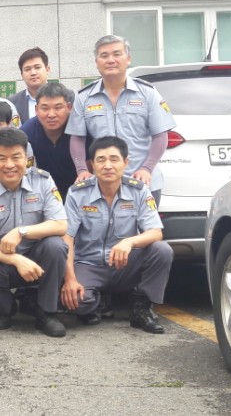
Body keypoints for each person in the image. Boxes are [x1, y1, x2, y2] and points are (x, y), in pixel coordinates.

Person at [60, 136, 172, 334]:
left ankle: (141, 307)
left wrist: (129, 242)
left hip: (124, 263)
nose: (108, 166)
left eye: (114, 159)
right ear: (92, 165)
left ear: (126, 162)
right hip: (89, 263)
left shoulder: (139, 190)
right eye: (101, 160)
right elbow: (67, 237)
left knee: (162, 250)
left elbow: (155, 232)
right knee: (76, 302)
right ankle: (97, 300)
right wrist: (69, 279)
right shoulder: (78, 193)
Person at [0, 128, 69, 337]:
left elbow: (60, 224)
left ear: (27, 158)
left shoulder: (43, 182)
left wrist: (21, 231)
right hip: (3, 260)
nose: (9, 165)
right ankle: (6, 309)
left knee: (56, 246)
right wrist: (16, 260)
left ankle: (47, 312)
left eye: (16, 157)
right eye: (1, 158)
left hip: (37, 258)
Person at [68, 34, 176, 204]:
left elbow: (161, 135)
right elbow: (77, 138)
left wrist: (147, 168)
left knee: (147, 223)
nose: (111, 60)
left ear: (128, 59)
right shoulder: (83, 97)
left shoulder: (148, 93)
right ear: (96, 62)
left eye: (117, 54)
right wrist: (81, 170)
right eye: (104, 55)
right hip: (103, 185)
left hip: (143, 183)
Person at [21, 83, 78, 201]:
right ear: (36, 109)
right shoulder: (26, 133)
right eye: (45, 108)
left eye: (58, 107)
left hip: (78, 195)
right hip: (41, 197)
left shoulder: (80, 130)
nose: (51, 114)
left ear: (69, 107)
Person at [8, 47, 50, 125]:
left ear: (47, 69)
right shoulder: (12, 103)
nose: (33, 73)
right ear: (22, 74)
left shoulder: (66, 96)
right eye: (27, 69)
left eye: (37, 67)